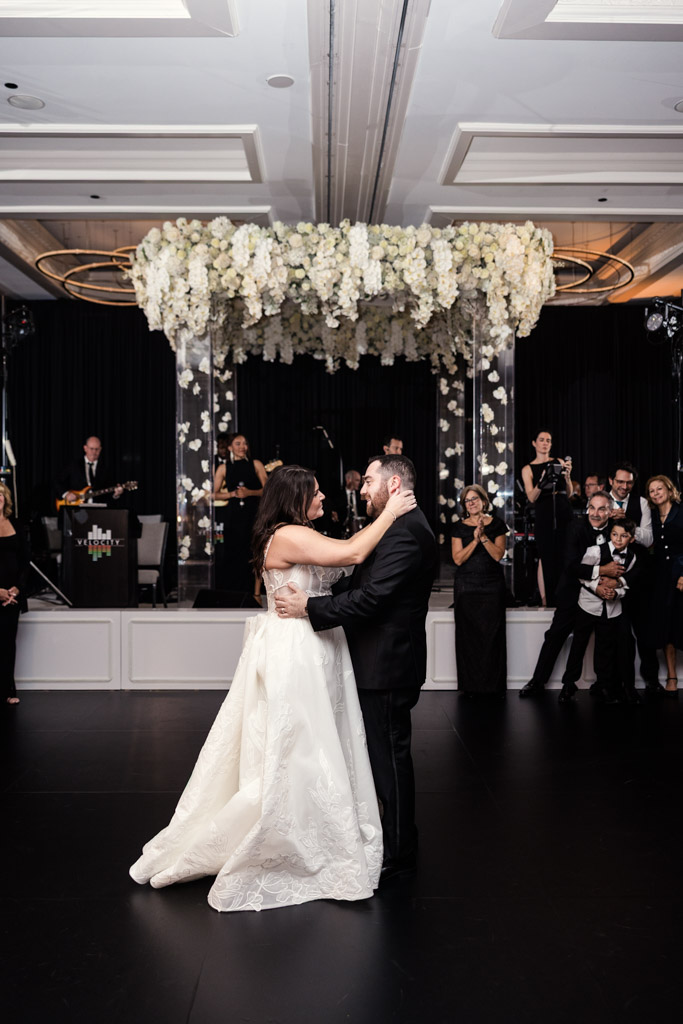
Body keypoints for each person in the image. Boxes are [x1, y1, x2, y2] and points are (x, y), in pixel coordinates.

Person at [130, 465, 416, 911]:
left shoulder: (301, 532)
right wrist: (391, 511)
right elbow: (353, 554)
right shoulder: (285, 535)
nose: (324, 498)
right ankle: (296, 840)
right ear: (295, 499)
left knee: (320, 744)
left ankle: (320, 829)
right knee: (298, 747)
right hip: (296, 651)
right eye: (317, 493)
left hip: (319, 647)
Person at [275, 455, 438, 882]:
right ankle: (395, 838)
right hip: (379, 661)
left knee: (390, 760)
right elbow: (357, 583)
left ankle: (400, 851)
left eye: (368, 482)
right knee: (382, 758)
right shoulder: (396, 526)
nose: (361, 489)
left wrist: (309, 607)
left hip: (387, 665)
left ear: (394, 484)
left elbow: (372, 600)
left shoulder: (405, 532)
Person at [519, 491, 618, 696]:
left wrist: (606, 582)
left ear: (611, 511)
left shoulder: (616, 530)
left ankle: (604, 685)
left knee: (606, 640)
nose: (596, 513)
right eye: (592, 508)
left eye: (601, 509)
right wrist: (601, 573)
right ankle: (538, 681)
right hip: (572, 592)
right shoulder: (575, 527)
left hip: (601, 595)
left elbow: (619, 564)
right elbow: (572, 566)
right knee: (555, 635)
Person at [557, 520, 643, 704]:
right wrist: (597, 588)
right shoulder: (595, 550)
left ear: (632, 539)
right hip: (587, 605)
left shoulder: (632, 558)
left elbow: (627, 585)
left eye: (624, 536)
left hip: (612, 609)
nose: (618, 539)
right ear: (610, 534)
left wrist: (616, 592)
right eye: (614, 534)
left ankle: (603, 686)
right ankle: (568, 685)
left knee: (605, 648)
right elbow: (581, 575)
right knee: (578, 645)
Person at [607, 461, 660, 694]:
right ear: (611, 481)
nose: (624, 486)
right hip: (608, 577)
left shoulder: (641, 503)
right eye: (620, 481)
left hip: (639, 578)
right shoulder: (600, 501)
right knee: (618, 636)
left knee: (645, 632)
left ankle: (651, 680)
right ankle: (619, 684)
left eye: (629, 482)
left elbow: (648, 539)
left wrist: (630, 522)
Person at [451, 483, 508, 696]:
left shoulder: (498, 525)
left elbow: (497, 555)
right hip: (467, 587)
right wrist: (474, 540)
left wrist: (483, 537)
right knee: (468, 638)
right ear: (464, 505)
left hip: (492, 586)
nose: (472, 503)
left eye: (475, 498)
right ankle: (470, 687)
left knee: (493, 637)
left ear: (484, 501)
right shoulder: (458, 527)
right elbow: (458, 559)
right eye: (467, 500)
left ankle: (493, 687)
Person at [521, 430, 573, 606]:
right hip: (543, 511)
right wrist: (541, 482)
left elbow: (570, 493)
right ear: (534, 443)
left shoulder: (558, 462)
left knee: (564, 551)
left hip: (562, 508)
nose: (545, 443)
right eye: (541, 440)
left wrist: (568, 478)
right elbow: (531, 497)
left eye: (548, 440)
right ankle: (546, 598)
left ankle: (565, 595)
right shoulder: (527, 469)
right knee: (545, 554)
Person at [212, 433, 267, 595]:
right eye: (238, 443)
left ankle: (256, 594)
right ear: (230, 447)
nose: (243, 446)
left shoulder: (256, 464)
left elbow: (268, 490)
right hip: (233, 517)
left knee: (255, 553)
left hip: (254, 515)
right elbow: (213, 494)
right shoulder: (223, 467)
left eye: (245, 443)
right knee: (233, 553)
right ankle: (234, 593)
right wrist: (232, 494)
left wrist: (249, 492)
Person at [644, 475, 683, 696]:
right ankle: (671, 676)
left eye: (660, 489)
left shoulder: (681, 511)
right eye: (652, 491)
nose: (656, 493)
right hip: (660, 579)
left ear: (669, 490)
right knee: (667, 627)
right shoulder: (650, 515)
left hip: (680, 574)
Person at [0, 482, 29, 706]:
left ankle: (8, 690)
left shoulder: (16, 524)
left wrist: (16, 589)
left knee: (8, 643)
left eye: (1, 494)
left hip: (12, 596)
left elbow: (25, 563)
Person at [55, 436, 124, 506]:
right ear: (85, 448)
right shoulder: (74, 465)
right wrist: (66, 494)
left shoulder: (106, 468)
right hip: (76, 508)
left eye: (97, 449)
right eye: (91, 449)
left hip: (99, 509)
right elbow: (57, 481)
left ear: (100, 449)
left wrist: (116, 494)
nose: (94, 452)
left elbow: (109, 493)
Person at [331, 469, 363, 537]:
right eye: (357, 480)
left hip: (360, 529)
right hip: (342, 529)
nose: (359, 483)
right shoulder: (337, 495)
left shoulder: (361, 494)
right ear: (349, 480)